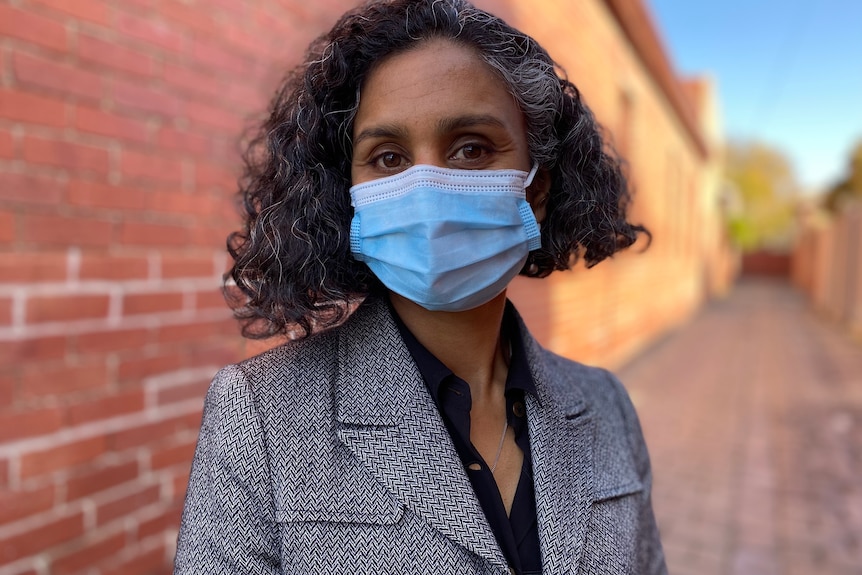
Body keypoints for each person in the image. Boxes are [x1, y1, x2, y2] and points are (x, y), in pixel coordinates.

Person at [174, 0, 666, 573]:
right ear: (347, 194)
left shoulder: (607, 406)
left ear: (535, 190)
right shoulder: (256, 417)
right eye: (387, 158)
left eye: (471, 148)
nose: (428, 187)